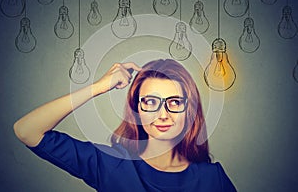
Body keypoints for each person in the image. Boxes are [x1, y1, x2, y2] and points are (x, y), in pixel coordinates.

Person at [14, 59, 237, 192]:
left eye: (174, 102)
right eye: (150, 101)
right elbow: (26, 130)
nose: (162, 114)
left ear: (189, 110)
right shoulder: (111, 164)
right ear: (136, 110)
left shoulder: (212, 179)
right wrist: (99, 87)